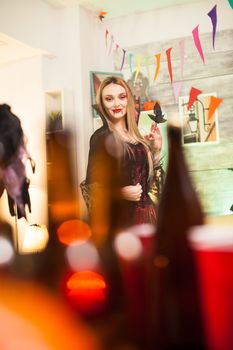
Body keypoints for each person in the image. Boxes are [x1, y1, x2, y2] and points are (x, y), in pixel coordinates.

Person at [81, 76, 163, 236]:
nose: (117, 104)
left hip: (148, 219)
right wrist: (119, 193)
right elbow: (90, 190)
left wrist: (156, 149)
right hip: (121, 222)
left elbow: (151, 183)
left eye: (122, 97)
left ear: (129, 100)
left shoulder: (136, 136)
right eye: (109, 99)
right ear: (103, 104)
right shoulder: (101, 138)